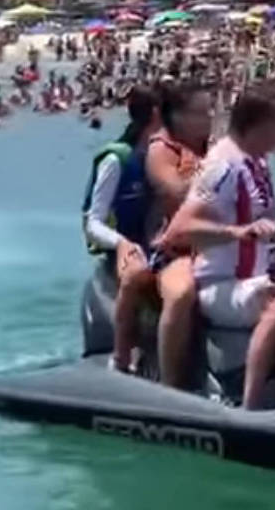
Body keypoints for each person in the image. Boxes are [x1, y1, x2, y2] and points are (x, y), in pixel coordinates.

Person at [162, 87, 275, 410]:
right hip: (224, 286)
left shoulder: (257, 156)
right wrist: (239, 232)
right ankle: (251, 405)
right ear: (259, 126)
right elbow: (179, 230)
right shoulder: (222, 166)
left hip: (269, 275)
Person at [82, 87, 162, 373]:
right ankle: (121, 358)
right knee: (137, 274)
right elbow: (93, 222)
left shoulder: (164, 158)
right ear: (155, 115)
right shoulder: (117, 160)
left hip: (159, 248)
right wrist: (122, 245)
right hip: (125, 253)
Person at [144, 83, 213, 388]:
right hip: (177, 250)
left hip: (222, 242)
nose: (209, 118)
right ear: (178, 117)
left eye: (210, 110)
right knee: (182, 293)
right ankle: (171, 386)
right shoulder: (161, 150)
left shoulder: (214, 145)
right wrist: (210, 168)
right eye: (200, 113)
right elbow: (176, 191)